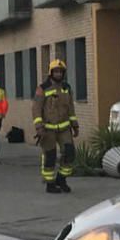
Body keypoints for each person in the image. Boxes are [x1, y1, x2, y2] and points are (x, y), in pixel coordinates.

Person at [32, 60, 79, 194]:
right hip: (48, 129)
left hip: (64, 129)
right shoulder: (43, 88)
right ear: (51, 73)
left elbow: (71, 108)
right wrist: (39, 127)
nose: (58, 74)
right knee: (50, 156)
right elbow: (36, 109)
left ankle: (61, 179)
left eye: (60, 72)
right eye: (56, 71)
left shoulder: (66, 88)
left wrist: (75, 125)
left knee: (69, 154)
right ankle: (50, 183)